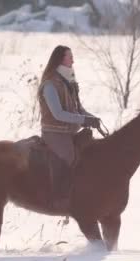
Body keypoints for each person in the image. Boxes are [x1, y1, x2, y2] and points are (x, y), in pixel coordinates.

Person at [37, 45, 101, 208]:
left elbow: (78, 109)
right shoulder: (50, 84)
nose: (73, 60)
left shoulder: (69, 81)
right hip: (54, 132)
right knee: (69, 155)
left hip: (70, 131)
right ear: (60, 59)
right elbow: (58, 114)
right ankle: (59, 197)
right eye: (69, 57)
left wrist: (92, 119)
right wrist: (83, 120)